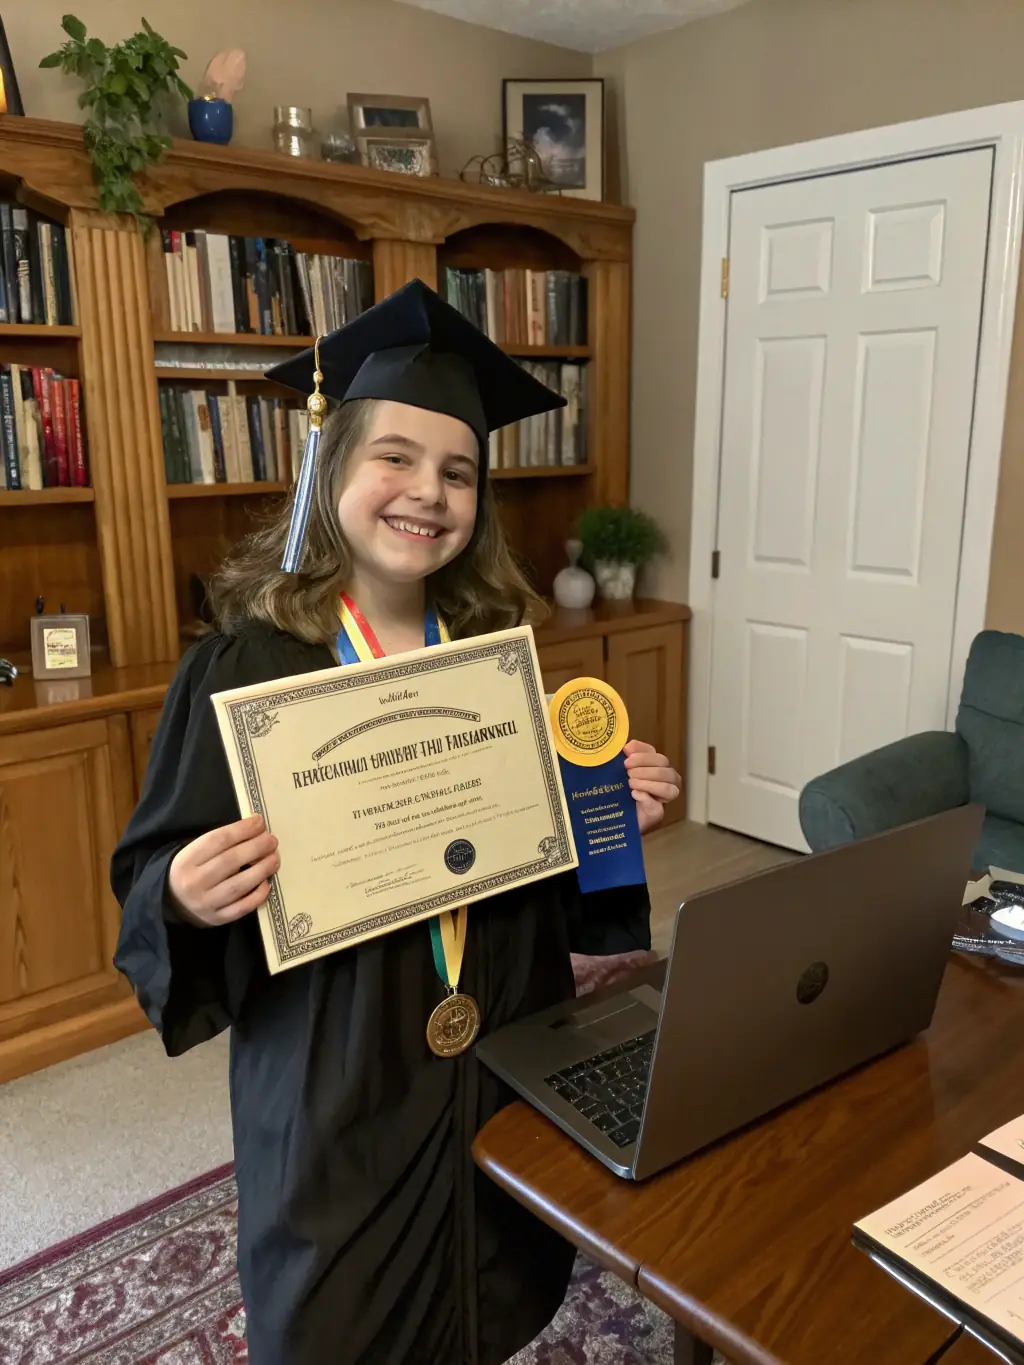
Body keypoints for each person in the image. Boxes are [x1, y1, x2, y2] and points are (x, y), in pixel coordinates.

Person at [111, 280, 681, 1365]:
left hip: (496, 1029)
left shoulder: (490, 652)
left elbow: (521, 869)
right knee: (341, 1311)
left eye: (457, 471)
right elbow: (148, 869)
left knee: (492, 1279)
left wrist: (601, 819)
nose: (428, 492)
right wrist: (181, 892)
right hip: (340, 1071)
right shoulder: (247, 663)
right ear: (332, 468)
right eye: (397, 459)